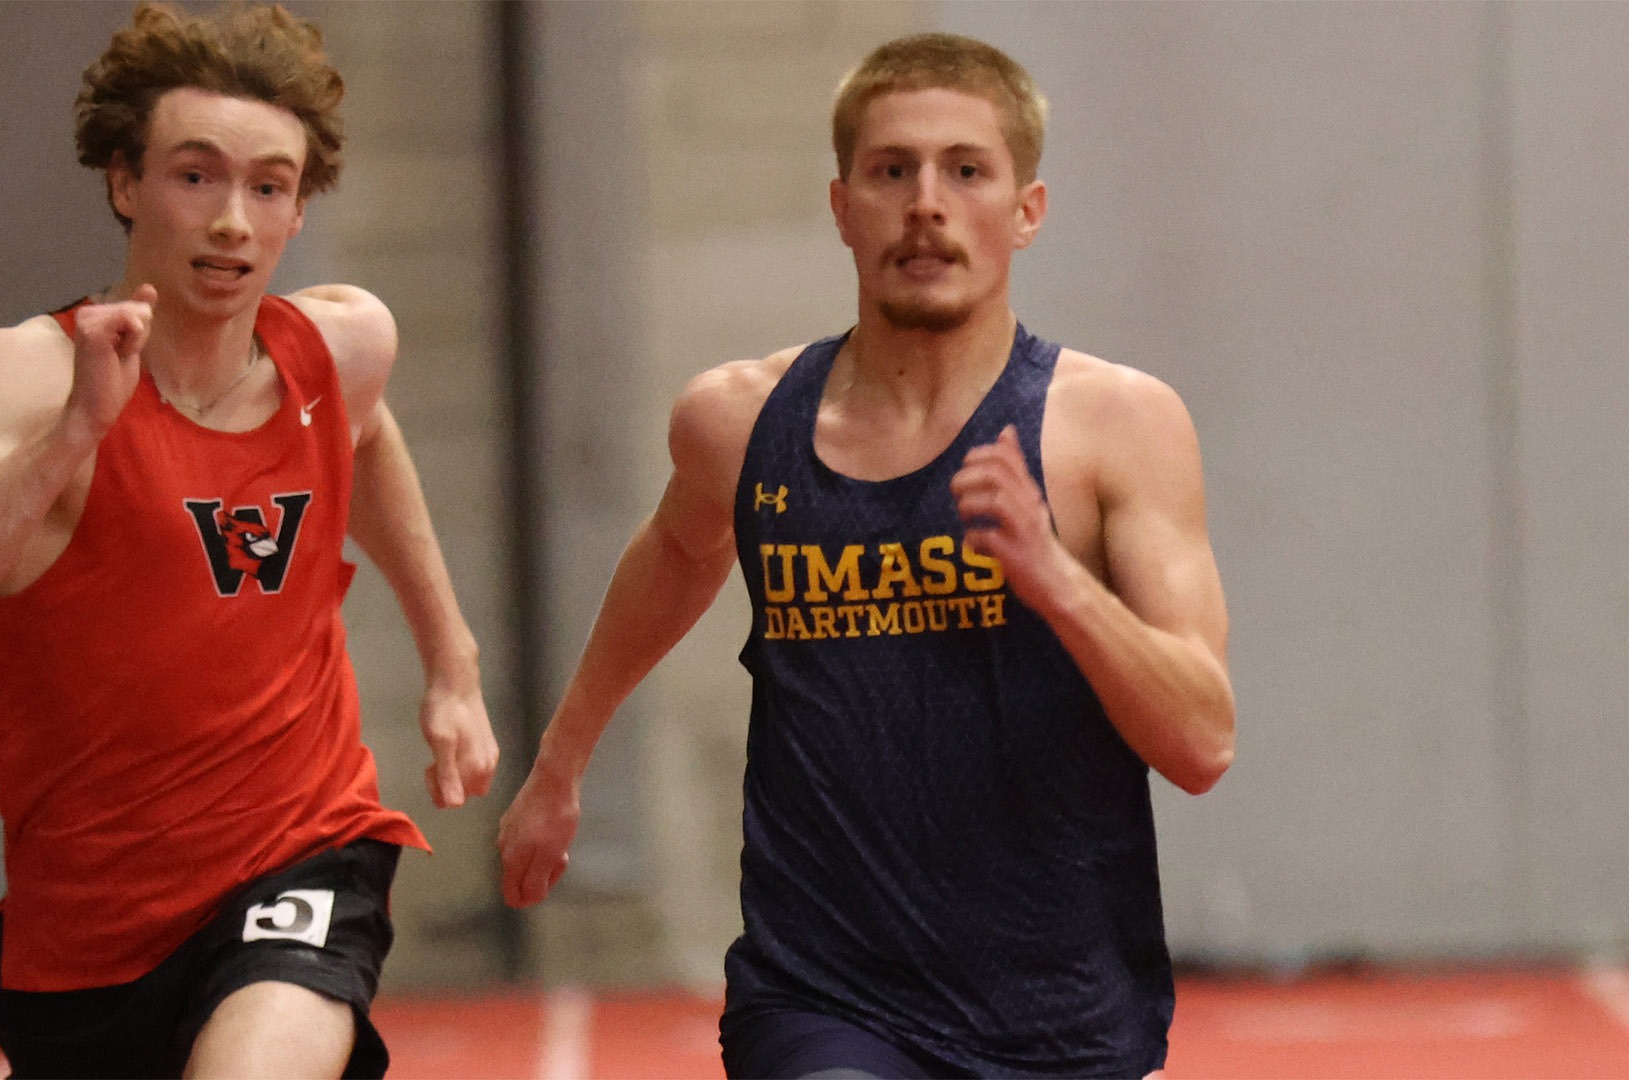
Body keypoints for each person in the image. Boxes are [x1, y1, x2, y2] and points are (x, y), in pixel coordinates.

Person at [498, 31, 1233, 1079]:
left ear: (1027, 211)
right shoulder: (739, 423)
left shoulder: (1118, 428)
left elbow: (1202, 742)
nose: (927, 204)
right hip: (825, 995)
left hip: (1060, 1006)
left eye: (966, 171)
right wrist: (561, 764)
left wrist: (1057, 582)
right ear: (843, 207)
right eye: (893, 171)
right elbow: (676, 556)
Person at [0, 3, 499, 1075]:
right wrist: (77, 434)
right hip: (89, 927)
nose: (231, 223)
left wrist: (453, 659)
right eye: (196, 176)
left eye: (268, 188)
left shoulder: (341, 347)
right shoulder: (28, 373)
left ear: (299, 210)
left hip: (300, 852)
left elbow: (366, 434)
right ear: (125, 182)